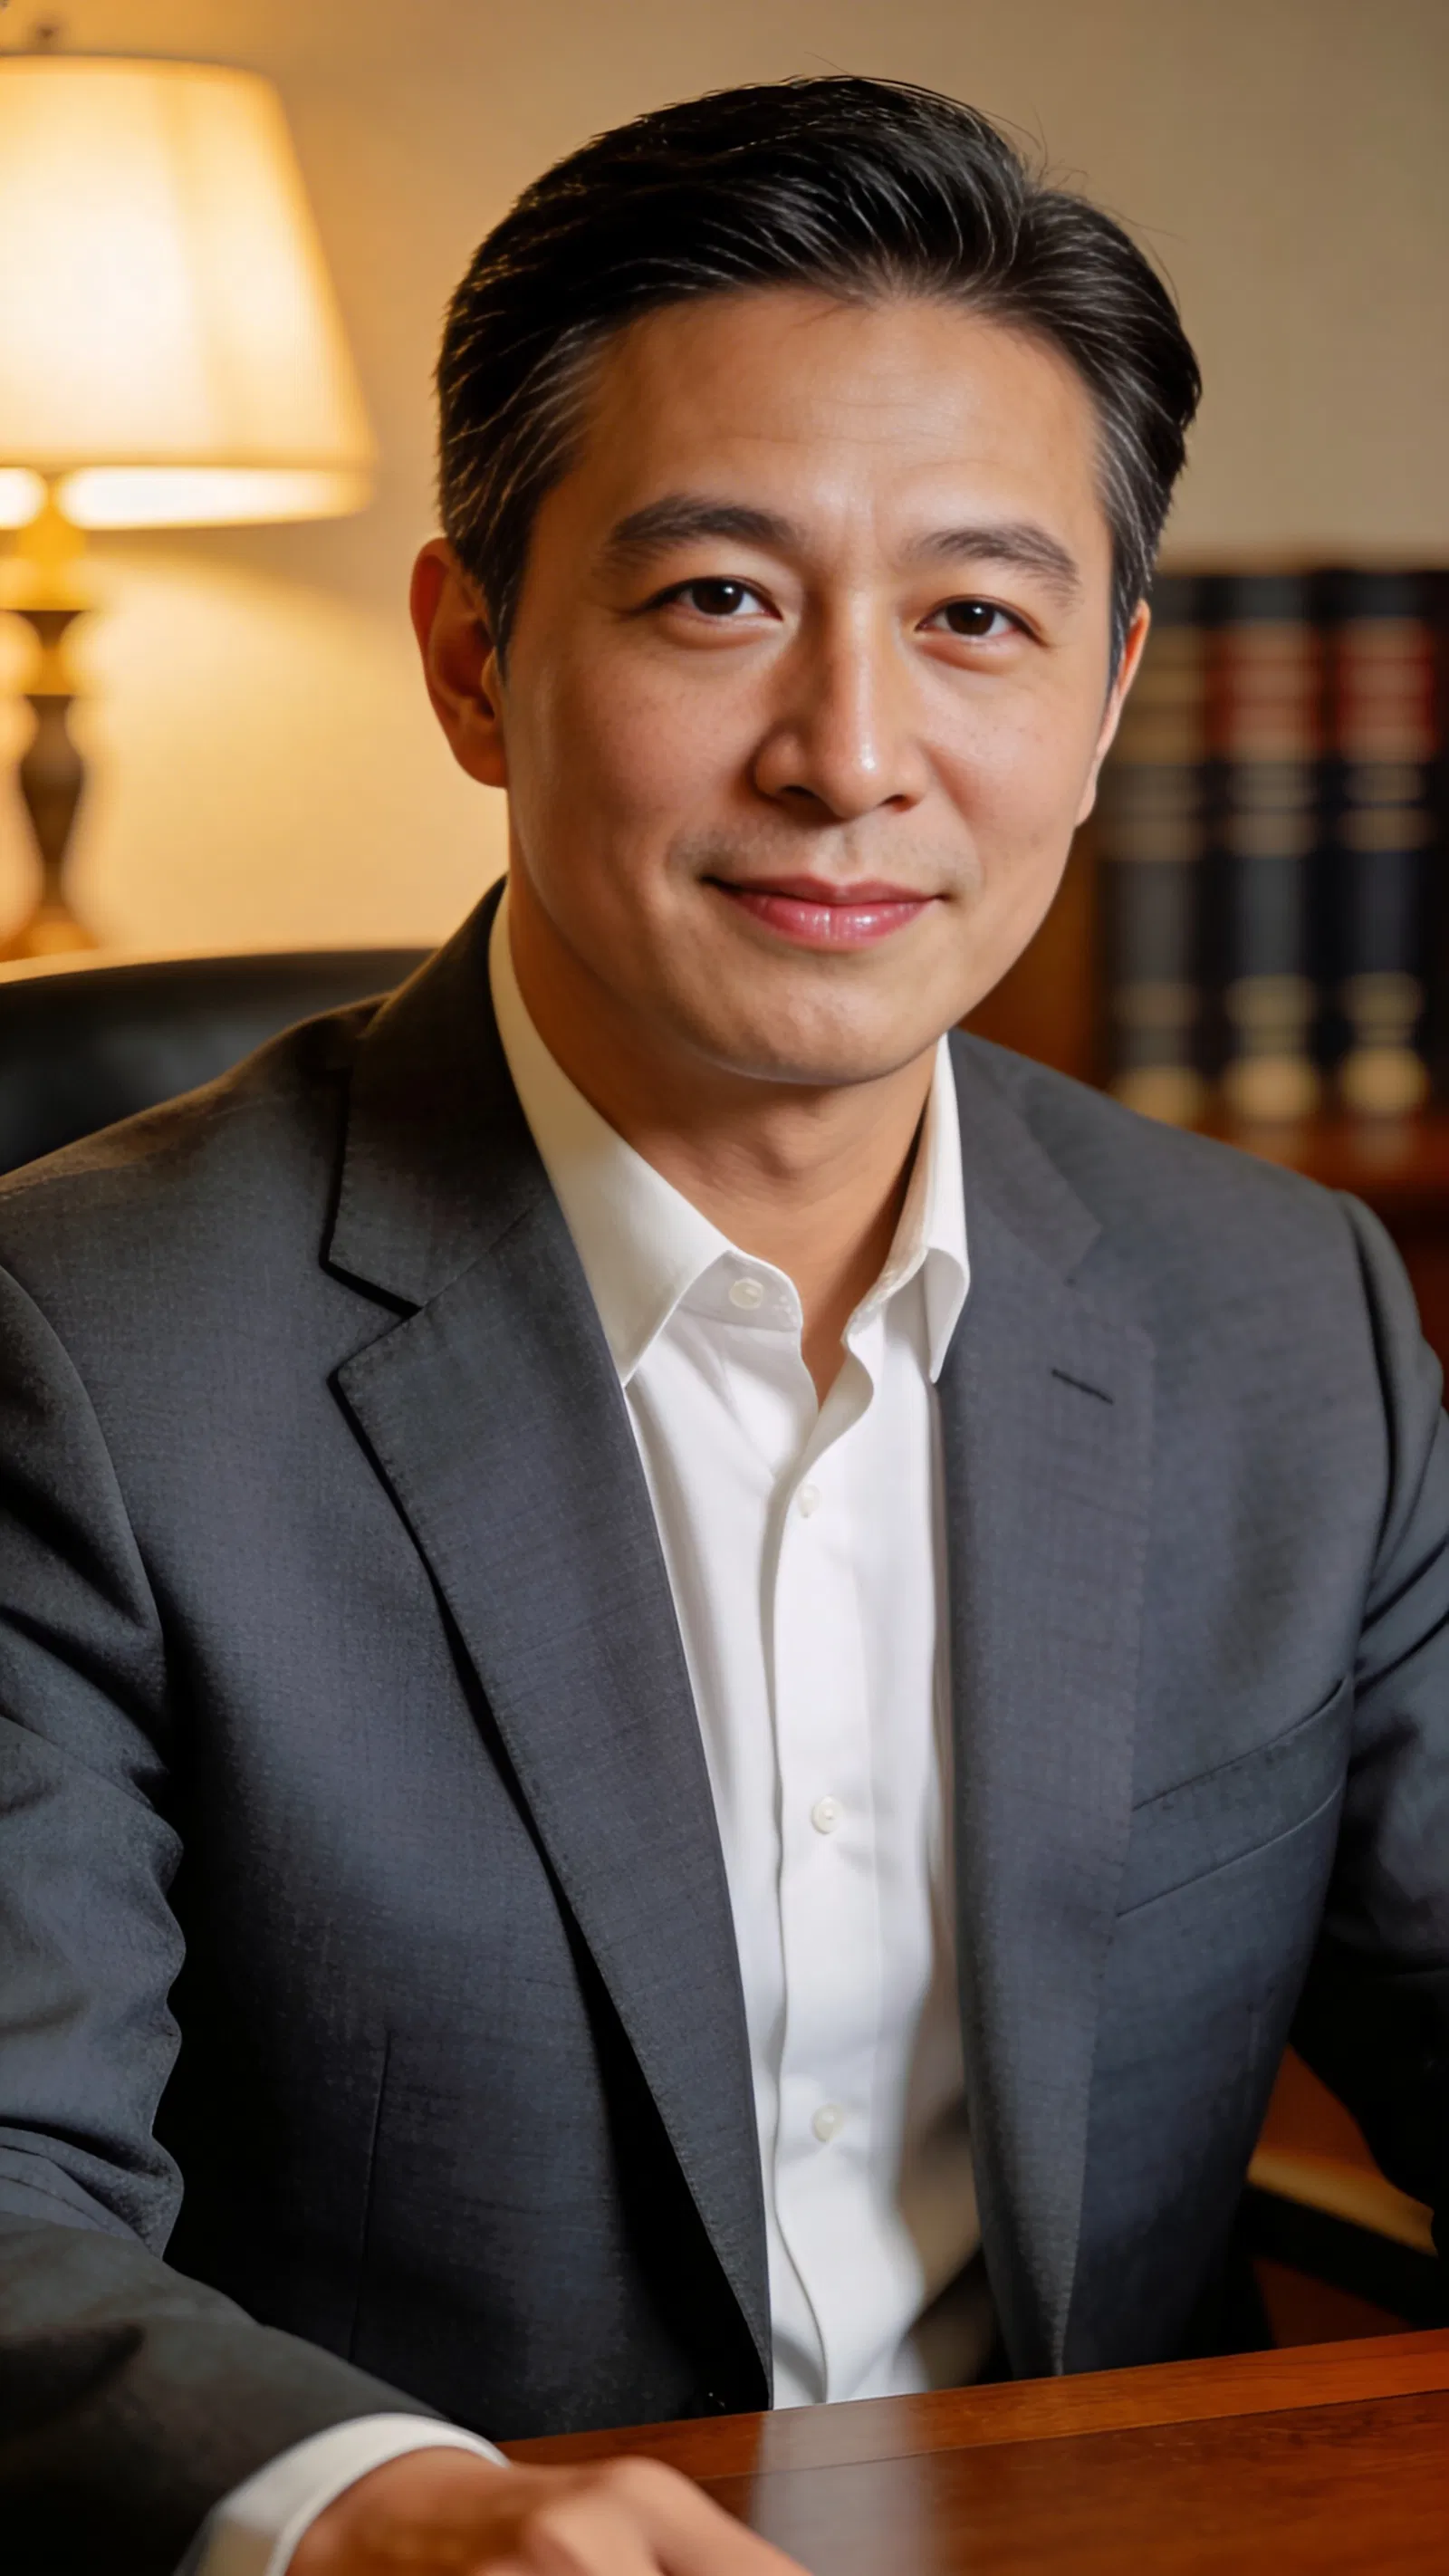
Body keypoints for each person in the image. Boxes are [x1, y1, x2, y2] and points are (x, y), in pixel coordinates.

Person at [2, 69, 1447, 2576]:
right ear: (475, 658)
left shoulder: (1277, 1309)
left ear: (1104, 698)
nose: (853, 756)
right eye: (718, 599)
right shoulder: (88, 1347)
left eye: (975, 620)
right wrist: (389, 2511)